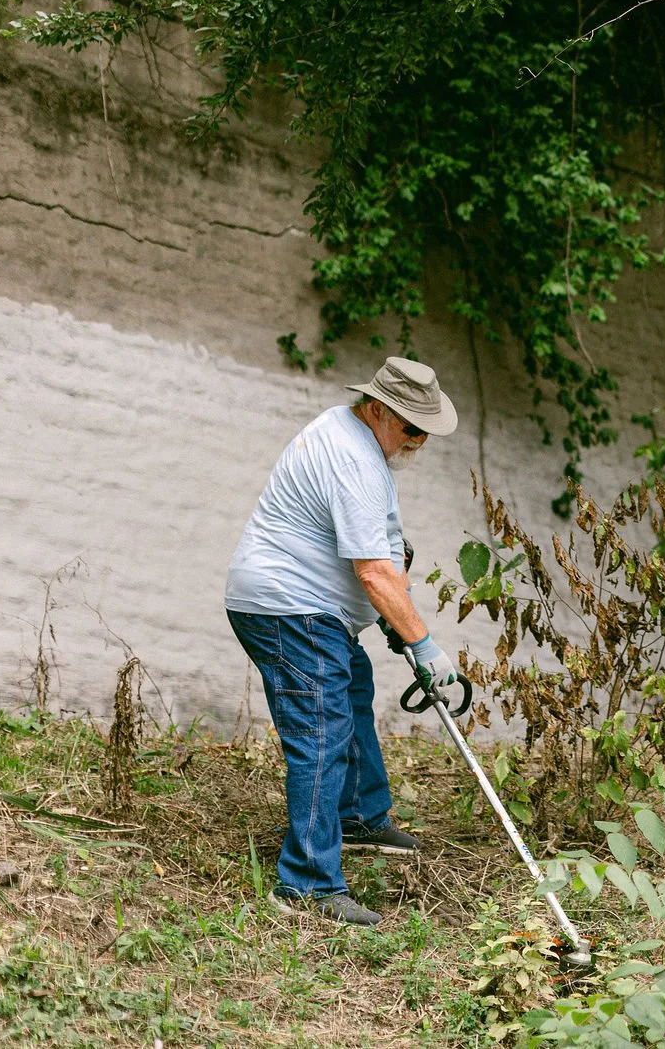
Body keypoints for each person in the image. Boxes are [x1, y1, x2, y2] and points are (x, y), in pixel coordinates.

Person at [223, 356, 464, 926]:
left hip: (310, 606)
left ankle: (357, 815)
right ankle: (307, 883)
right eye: (411, 428)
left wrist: (392, 615)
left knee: (352, 684)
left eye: (426, 431)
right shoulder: (355, 458)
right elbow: (374, 573)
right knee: (322, 728)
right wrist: (425, 645)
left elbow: (384, 554)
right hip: (289, 606)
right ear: (378, 408)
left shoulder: (354, 434)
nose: (419, 440)